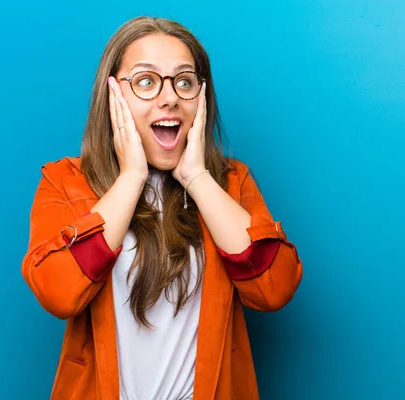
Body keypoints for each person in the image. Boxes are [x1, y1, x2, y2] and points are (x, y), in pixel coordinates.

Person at [21, 16, 302, 400]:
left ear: (202, 97)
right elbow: (59, 293)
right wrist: (131, 177)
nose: (169, 97)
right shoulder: (65, 181)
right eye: (146, 81)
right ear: (113, 94)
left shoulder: (231, 183)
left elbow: (274, 290)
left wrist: (198, 178)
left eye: (184, 81)